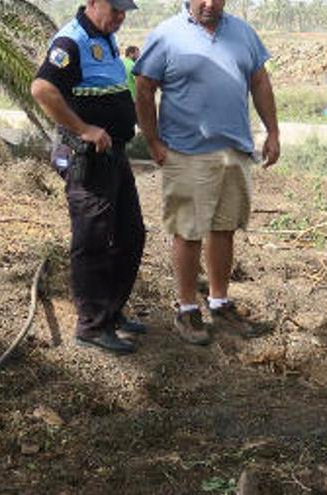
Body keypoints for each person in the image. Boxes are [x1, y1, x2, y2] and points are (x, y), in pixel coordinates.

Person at [133, 0, 280, 346]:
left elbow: (259, 81)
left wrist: (272, 131)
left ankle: (219, 302)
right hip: (186, 151)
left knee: (224, 228)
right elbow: (144, 89)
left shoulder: (243, 33)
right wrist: (152, 141)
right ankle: (186, 309)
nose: (209, 3)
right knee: (188, 232)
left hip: (235, 151)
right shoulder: (167, 35)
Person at [31, 0, 146, 355]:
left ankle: (111, 312)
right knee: (93, 239)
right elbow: (42, 89)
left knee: (130, 234)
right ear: (93, 2)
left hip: (114, 155)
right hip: (88, 159)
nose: (121, 17)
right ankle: (92, 326)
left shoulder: (106, 36)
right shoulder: (71, 41)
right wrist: (83, 129)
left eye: (125, 10)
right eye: (115, 9)